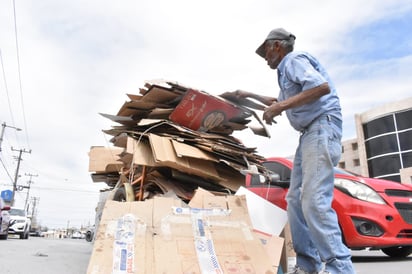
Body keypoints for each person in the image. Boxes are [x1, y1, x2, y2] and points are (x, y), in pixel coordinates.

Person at [231, 28, 356, 274]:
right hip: (310, 134)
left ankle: (340, 268)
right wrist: (249, 96)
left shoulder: (293, 61)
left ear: (277, 46)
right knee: (295, 201)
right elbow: (281, 100)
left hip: (322, 126)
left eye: (265, 51)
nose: (264, 57)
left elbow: (320, 87)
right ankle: (308, 265)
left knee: (313, 200)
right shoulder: (285, 72)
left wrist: (281, 108)